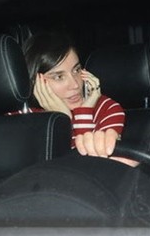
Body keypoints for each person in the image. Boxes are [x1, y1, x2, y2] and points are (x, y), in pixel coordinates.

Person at [20, 32, 136, 166]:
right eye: (59, 77)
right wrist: (61, 121)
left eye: (76, 70)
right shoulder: (19, 119)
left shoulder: (106, 108)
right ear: (34, 82)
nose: (75, 84)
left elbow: (91, 167)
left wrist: (80, 115)